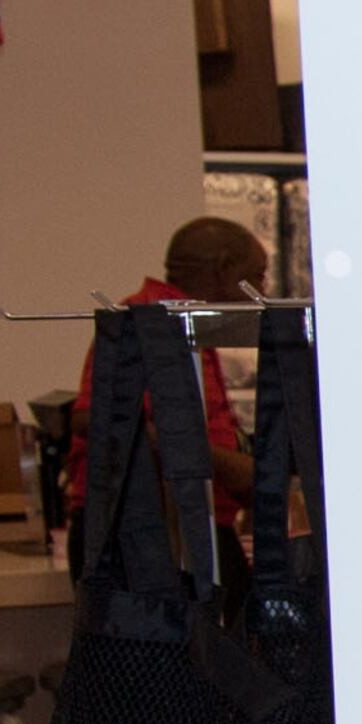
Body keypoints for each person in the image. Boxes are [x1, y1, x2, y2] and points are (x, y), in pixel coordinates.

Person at [70, 215, 266, 524]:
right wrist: (228, 467)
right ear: (225, 269)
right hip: (150, 526)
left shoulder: (187, 322)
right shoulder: (151, 323)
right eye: (257, 276)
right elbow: (100, 419)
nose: (261, 292)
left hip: (187, 518)